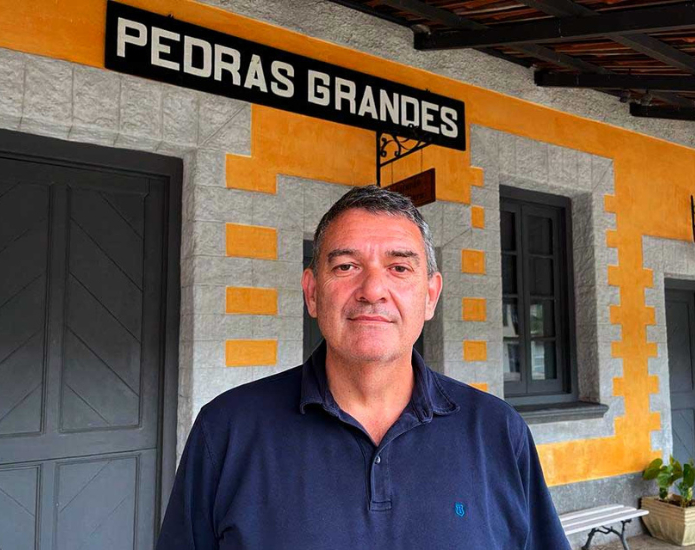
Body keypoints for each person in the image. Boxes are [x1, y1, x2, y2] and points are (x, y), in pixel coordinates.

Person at [155, 185, 571, 549]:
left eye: (399, 268)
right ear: (312, 293)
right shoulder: (226, 430)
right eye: (346, 267)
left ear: (430, 296)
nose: (373, 290)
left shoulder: (498, 432)